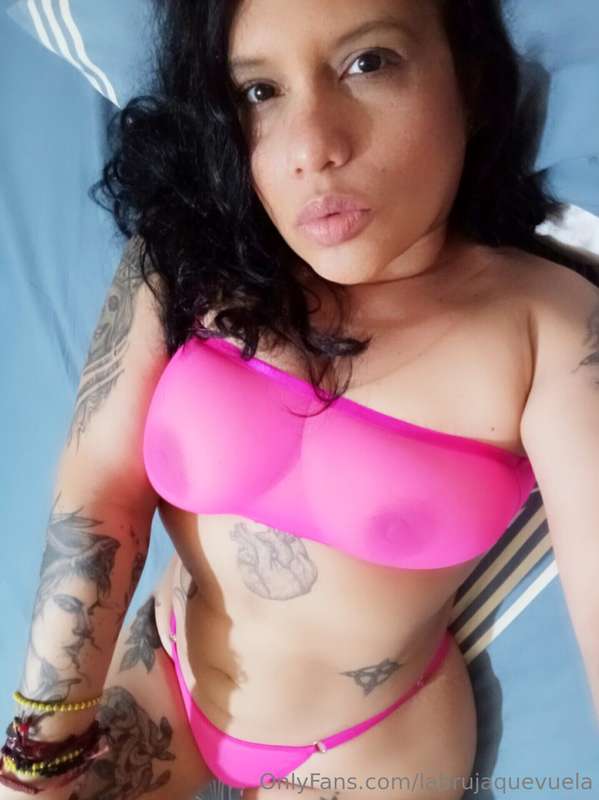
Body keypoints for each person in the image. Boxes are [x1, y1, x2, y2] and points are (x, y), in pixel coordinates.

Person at [2, 0, 599, 798]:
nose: (312, 148)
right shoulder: (184, 250)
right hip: (166, 669)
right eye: (260, 91)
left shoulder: (549, 325)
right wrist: (36, 754)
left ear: (469, 79)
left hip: (365, 753)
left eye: (367, 63)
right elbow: (100, 491)